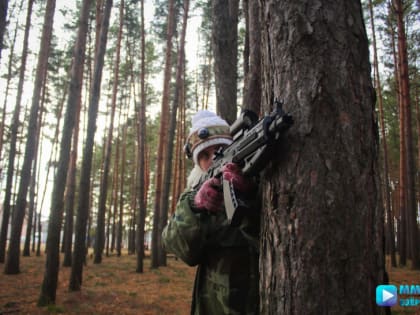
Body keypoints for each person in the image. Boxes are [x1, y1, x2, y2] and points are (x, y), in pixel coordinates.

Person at [162, 110, 260, 315]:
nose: (212, 159)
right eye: (204, 156)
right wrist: (195, 208)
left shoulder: (258, 182)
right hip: (214, 305)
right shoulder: (194, 196)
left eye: (219, 149)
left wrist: (248, 196)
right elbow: (181, 249)